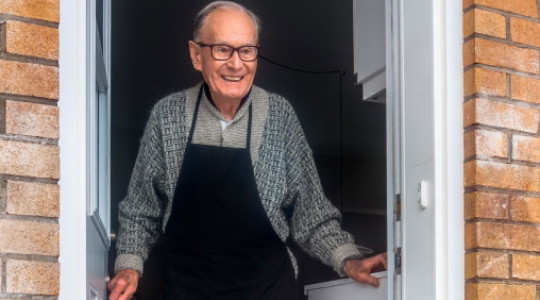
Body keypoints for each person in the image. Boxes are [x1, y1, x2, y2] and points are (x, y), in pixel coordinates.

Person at [108, 2, 387, 300]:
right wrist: (129, 265)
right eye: (222, 49)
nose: (236, 64)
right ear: (196, 55)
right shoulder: (168, 116)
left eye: (246, 50)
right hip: (187, 290)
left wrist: (347, 258)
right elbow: (140, 209)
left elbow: (310, 212)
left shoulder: (279, 116)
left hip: (268, 289)